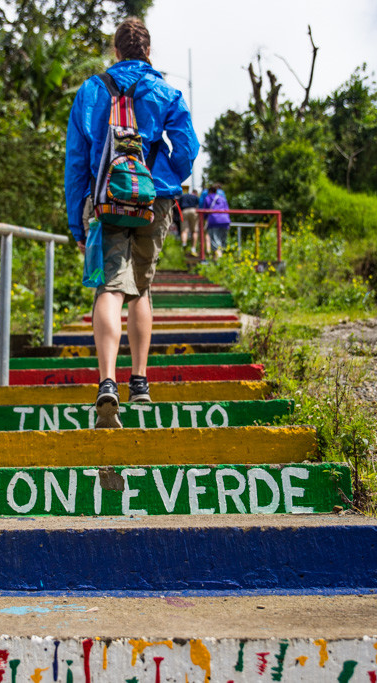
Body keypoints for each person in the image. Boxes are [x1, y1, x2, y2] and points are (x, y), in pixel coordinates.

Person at [64, 17, 199, 428]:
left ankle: (107, 382)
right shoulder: (166, 91)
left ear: (116, 51)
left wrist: (76, 218)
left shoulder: (91, 90)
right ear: (148, 52)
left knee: (109, 287)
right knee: (141, 289)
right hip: (152, 198)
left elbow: (75, 161)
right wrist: (168, 179)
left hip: (106, 199)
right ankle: (139, 382)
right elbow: (188, 148)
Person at [202, 183, 231, 259]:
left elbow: (205, 211)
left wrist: (205, 220)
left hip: (214, 221)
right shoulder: (222, 198)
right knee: (222, 241)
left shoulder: (208, 198)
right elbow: (227, 209)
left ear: (210, 191)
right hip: (225, 220)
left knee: (215, 242)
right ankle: (221, 259)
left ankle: (219, 260)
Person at [178, 187, 200, 255]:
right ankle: (193, 248)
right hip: (194, 211)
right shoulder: (195, 197)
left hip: (184, 211)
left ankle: (184, 244)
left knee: (184, 230)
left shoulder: (183, 196)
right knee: (194, 230)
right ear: (195, 193)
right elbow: (199, 205)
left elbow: (178, 205)